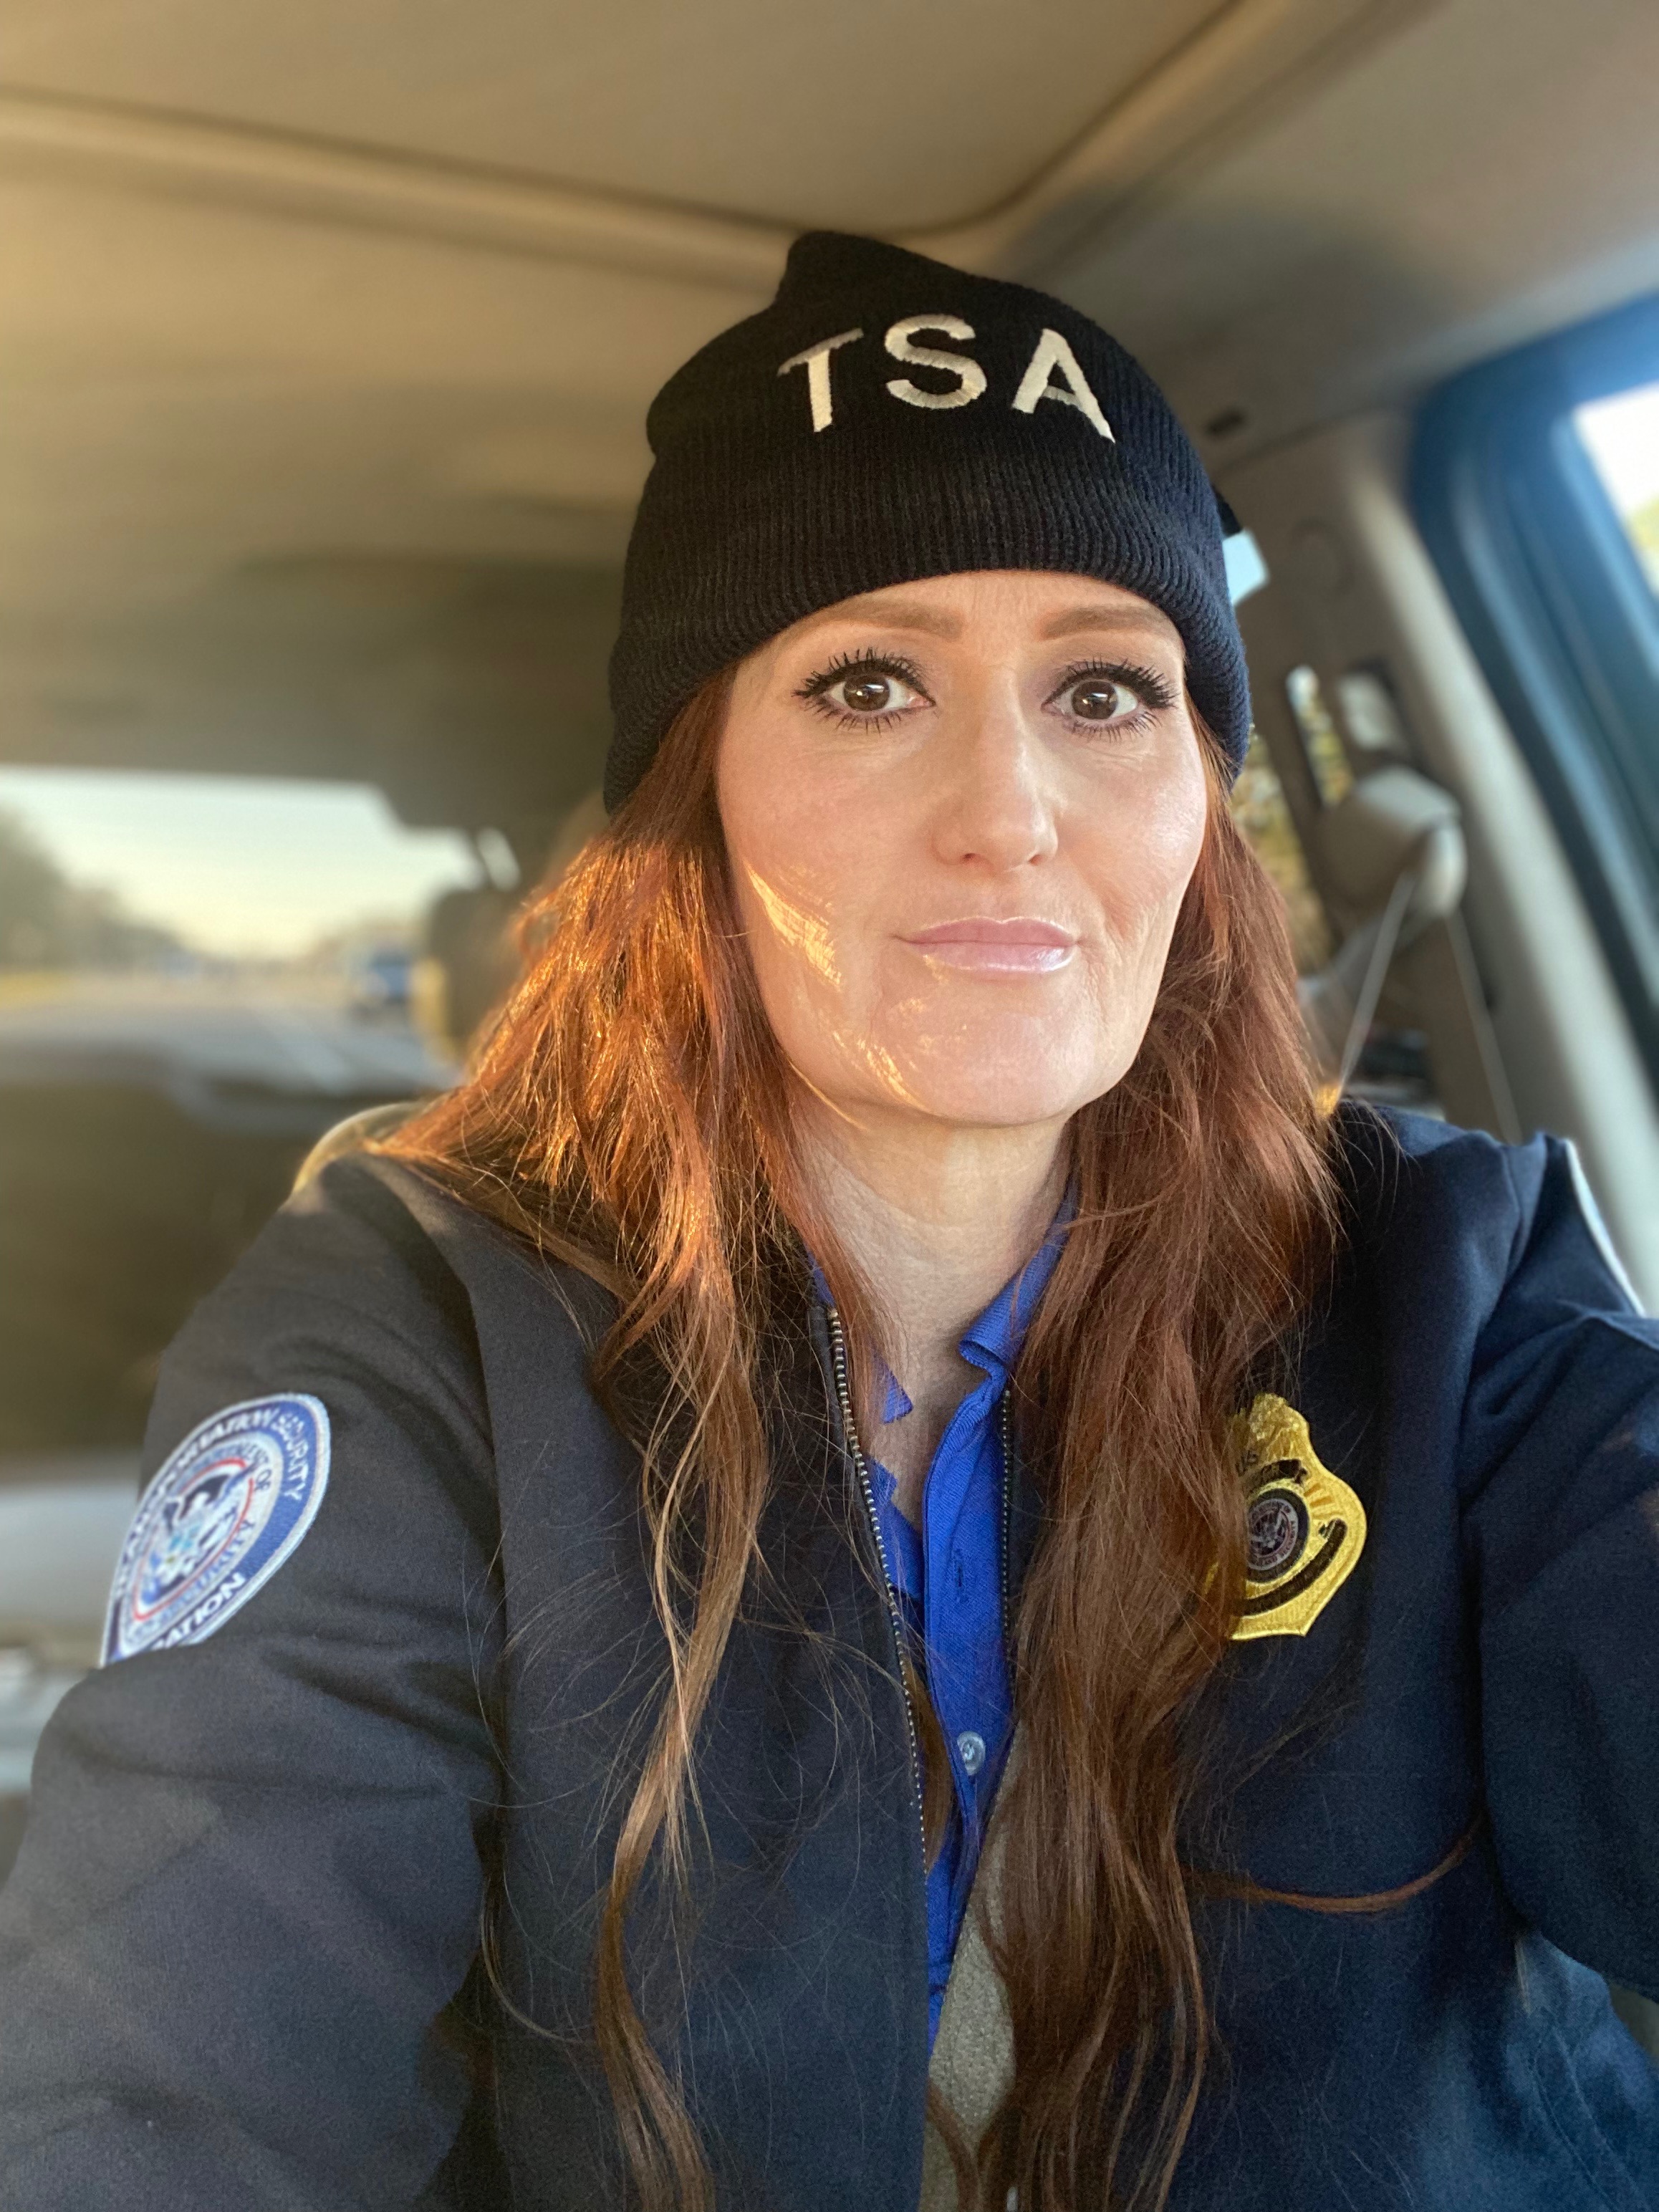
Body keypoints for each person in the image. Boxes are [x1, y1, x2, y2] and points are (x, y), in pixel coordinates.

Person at [1, 231, 1655, 2212]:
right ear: (692, 800)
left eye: (1106, 691)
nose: (1011, 808)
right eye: (868, 685)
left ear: (1201, 809)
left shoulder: (1449, 1286)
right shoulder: (422, 1331)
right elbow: (165, 2071)